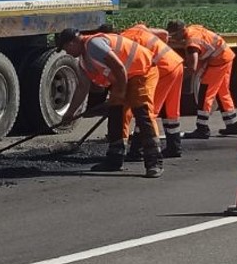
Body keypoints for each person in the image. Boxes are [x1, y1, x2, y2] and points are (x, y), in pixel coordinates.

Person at [56, 27, 163, 177]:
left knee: (142, 112)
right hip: (124, 77)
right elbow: (82, 88)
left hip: (142, 72)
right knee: (115, 113)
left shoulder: (94, 45)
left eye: (66, 48)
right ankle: (114, 159)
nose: (67, 52)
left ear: (73, 42)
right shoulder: (83, 61)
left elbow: (119, 67)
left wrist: (121, 93)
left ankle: (154, 162)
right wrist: (70, 113)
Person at [119, 21, 185, 161]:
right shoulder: (138, 29)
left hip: (162, 69)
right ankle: (174, 146)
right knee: (172, 109)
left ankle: (140, 150)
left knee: (148, 111)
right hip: (175, 62)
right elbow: (164, 33)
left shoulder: (124, 42)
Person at [165, 20, 237, 138]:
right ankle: (233, 125)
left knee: (205, 94)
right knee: (222, 93)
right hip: (226, 57)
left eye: (174, 35)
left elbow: (193, 66)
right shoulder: (192, 30)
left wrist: (180, 78)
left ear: (182, 31)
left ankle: (202, 129)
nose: (174, 38)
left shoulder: (192, 43)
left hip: (218, 62)